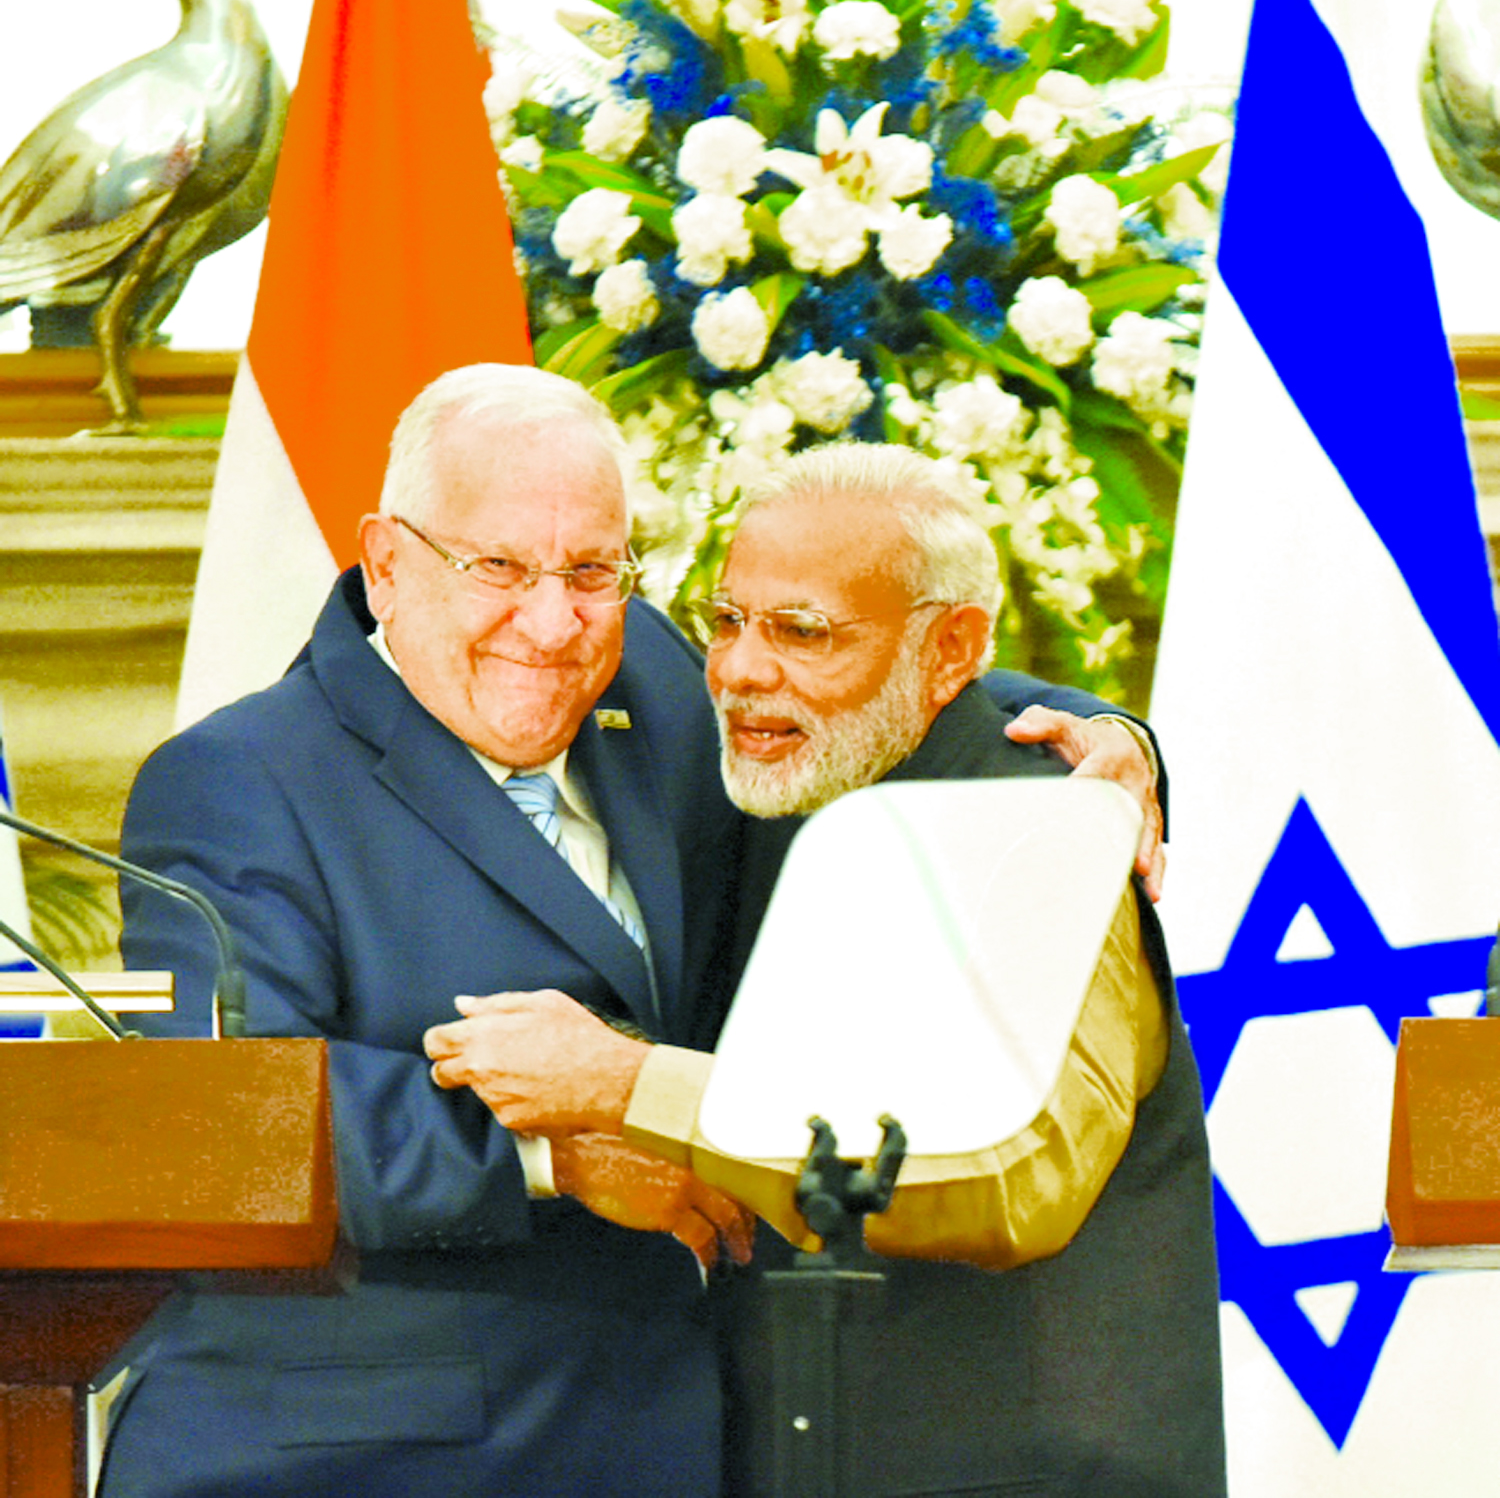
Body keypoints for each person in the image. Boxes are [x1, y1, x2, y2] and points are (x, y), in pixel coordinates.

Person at [105, 365, 1164, 1498]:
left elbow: (866, 668)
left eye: (593, 570)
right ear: (388, 560)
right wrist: (555, 1151)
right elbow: (223, 1123)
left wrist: (1111, 738)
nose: (553, 622)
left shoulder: (654, 681)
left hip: (657, 1431)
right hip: (358, 1450)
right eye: (499, 566)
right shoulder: (235, 780)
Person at [426, 441, 1226, 1498]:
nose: (741, 669)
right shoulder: (787, 765)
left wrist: (627, 1085)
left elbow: (1006, 1178)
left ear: (950, 652)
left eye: (803, 631)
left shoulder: (1048, 827)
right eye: (725, 620)